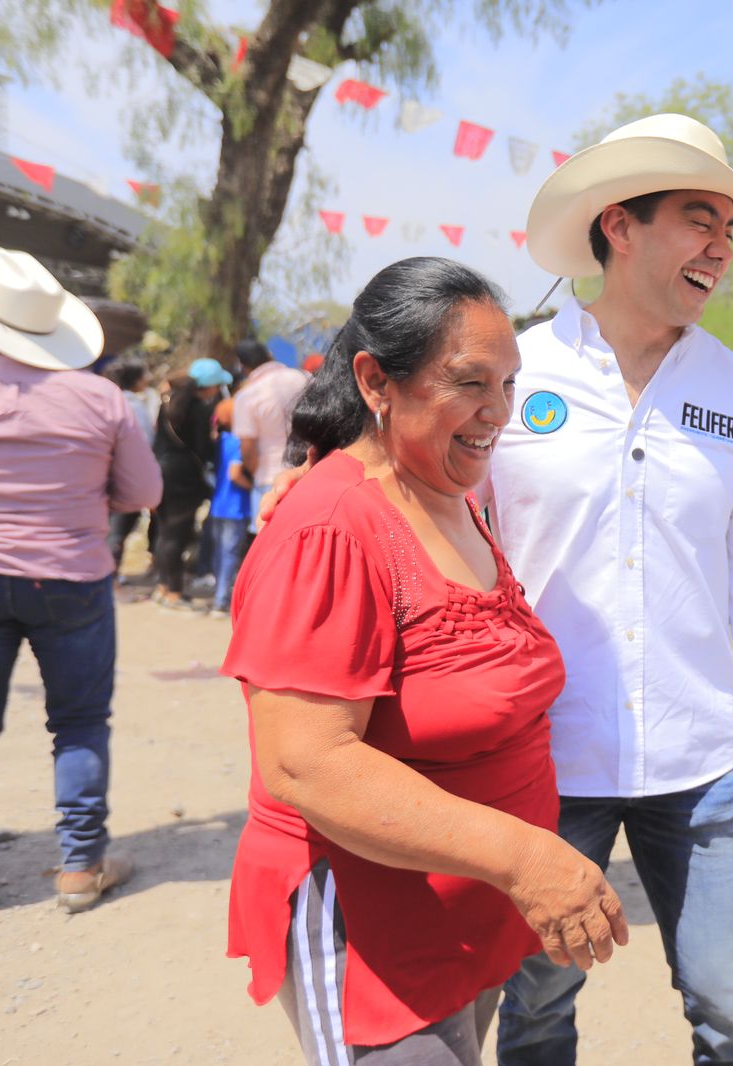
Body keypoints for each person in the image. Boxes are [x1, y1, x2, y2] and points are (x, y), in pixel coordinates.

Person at [223, 257, 627, 1065]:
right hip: (372, 932)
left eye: (509, 384)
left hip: (460, 921)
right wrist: (527, 856)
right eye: (471, 383)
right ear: (376, 380)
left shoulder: (450, 494)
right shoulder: (332, 527)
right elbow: (308, 764)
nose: (498, 413)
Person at [491, 114, 733, 1064]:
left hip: (704, 758)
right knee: (537, 1003)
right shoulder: (513, 371)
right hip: (546, 753)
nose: (720, 245)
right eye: (697, 218)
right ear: (617, 227)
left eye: (729, 229)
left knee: (732, 1008)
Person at [0, 248, 162, 916]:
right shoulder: (99, 395)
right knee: (80, 725)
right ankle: (80, 867)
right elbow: (144, 490)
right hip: (72, 579)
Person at [151, 357, 227, 608]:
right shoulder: (199, 410)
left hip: (160, 472)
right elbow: (203, 449)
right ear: (207, 388)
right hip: (185, 477)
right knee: (176, 535)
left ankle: (164, 586)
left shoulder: (166, 404)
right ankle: (174, 591)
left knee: (164, 531)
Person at [231, 336, 307, 531]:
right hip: (308, 472)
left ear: (243, 366)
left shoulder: (247, 396)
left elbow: (248, 450)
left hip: (268, 479)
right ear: (269, 355)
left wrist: (250, 474)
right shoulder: (304, 378)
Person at [103, 358, 159, 577]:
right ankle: (112, 578)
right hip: (124, 477)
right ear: (136, 379)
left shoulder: (104, 401)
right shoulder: (134, 406)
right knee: (118, 530)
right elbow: (146, 444)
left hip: (101, 475)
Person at [206, 397, 251, 617]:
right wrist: (253, 486)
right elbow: (235, 474)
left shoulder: (221, 439)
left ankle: (218, 592)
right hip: (236, 505)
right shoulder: (240, 441)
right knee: (231, 553)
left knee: (220, 552)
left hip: (218, 505)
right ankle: (221, 599)